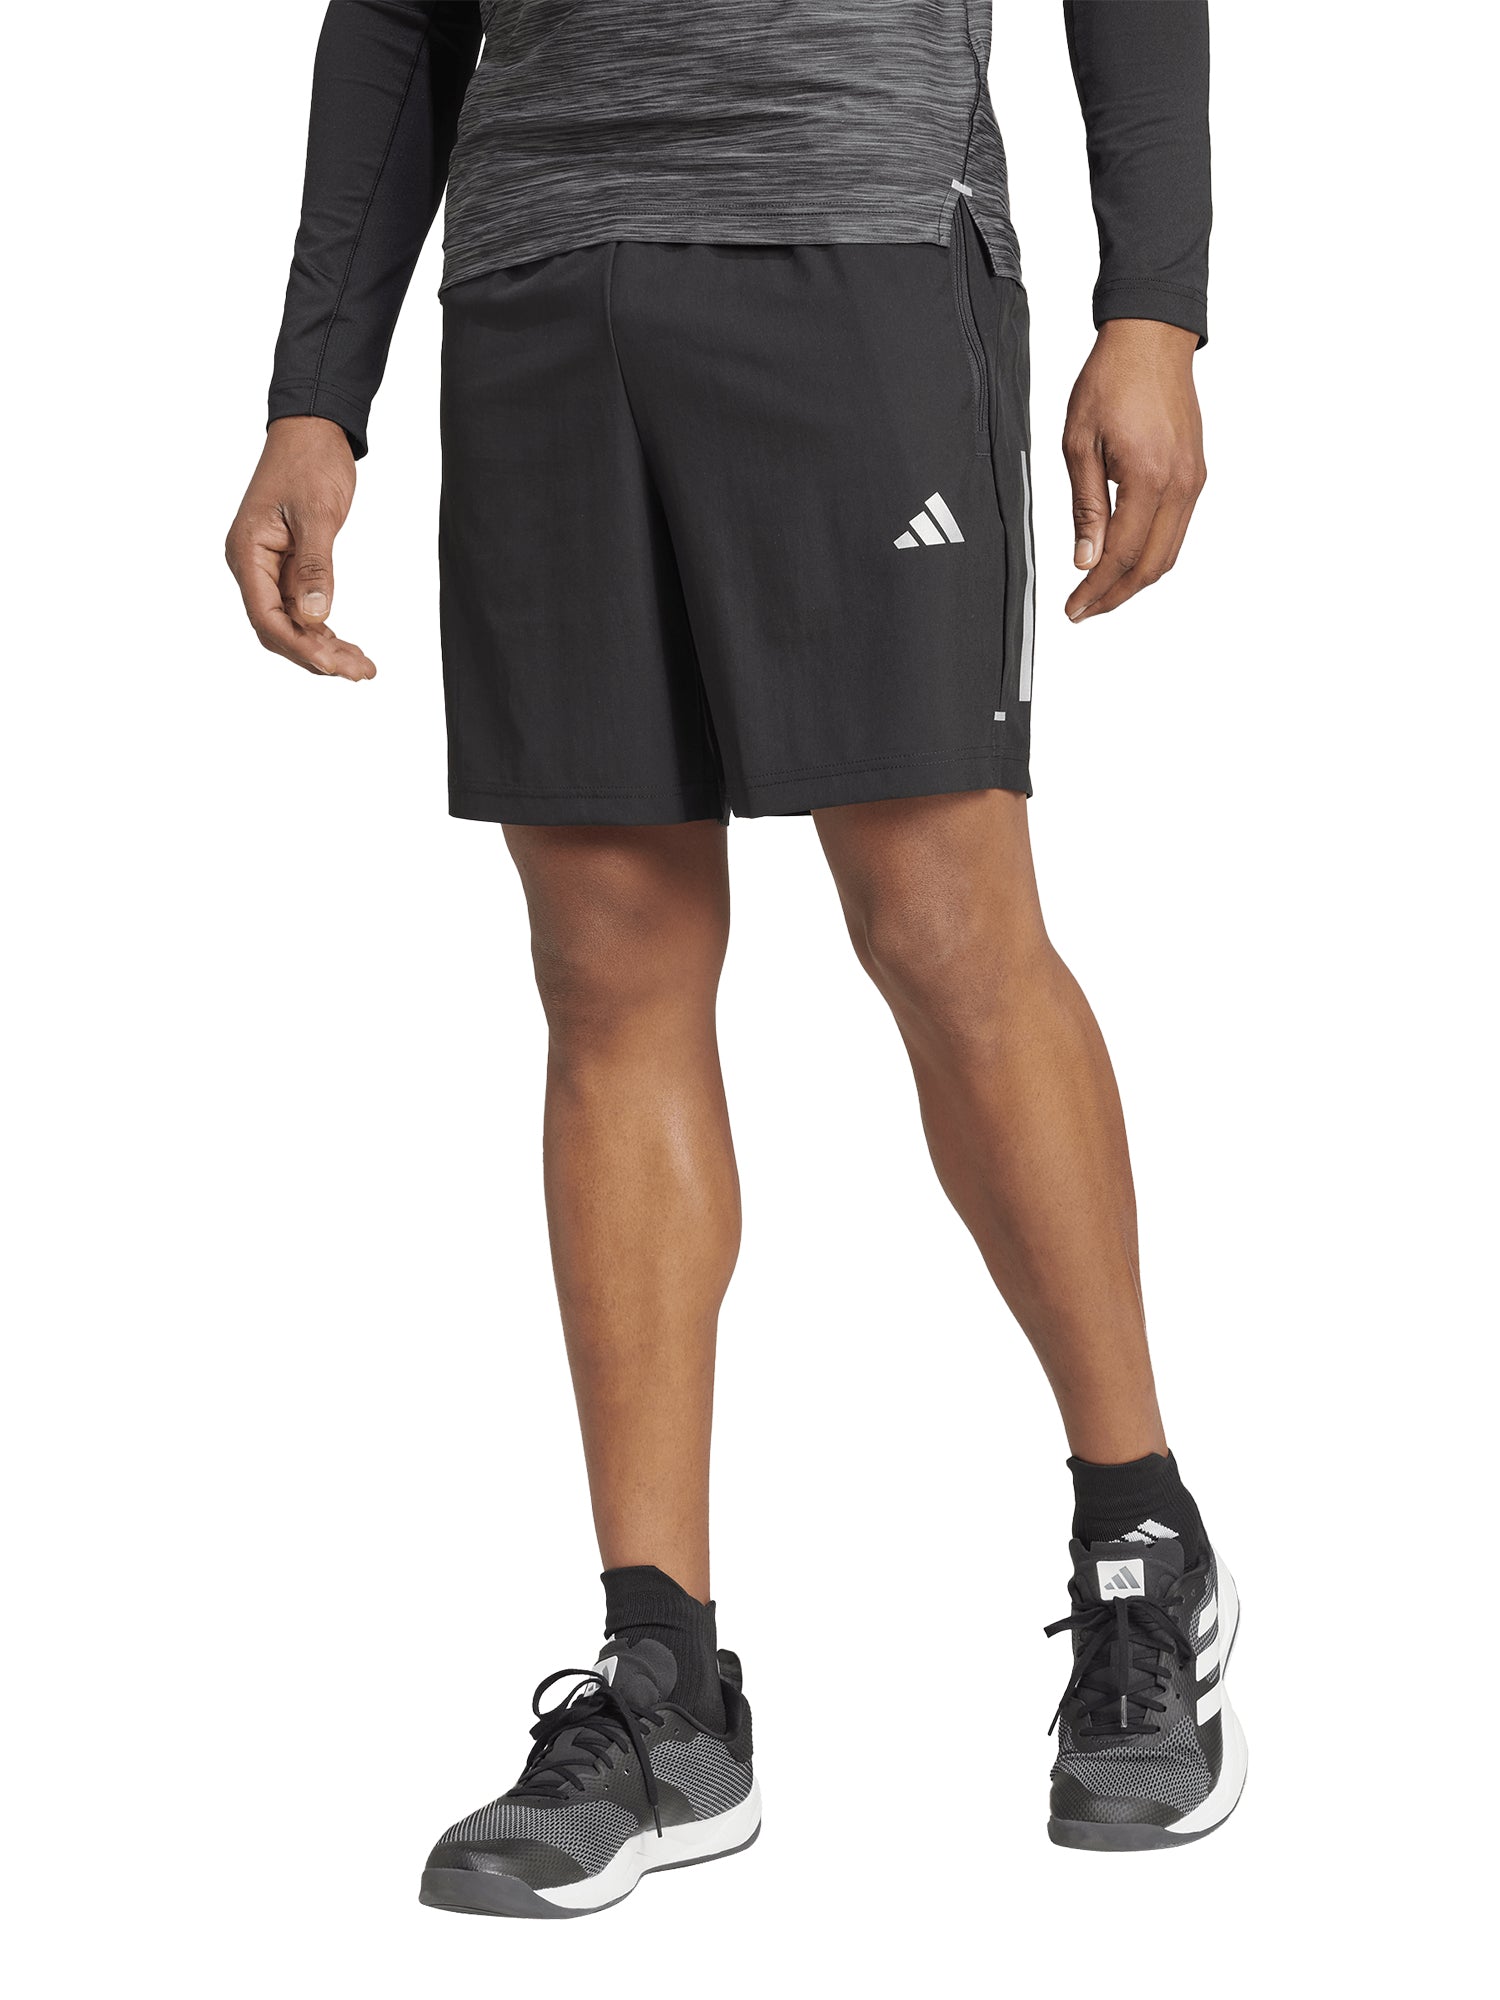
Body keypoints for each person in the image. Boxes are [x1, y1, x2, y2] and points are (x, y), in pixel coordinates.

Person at [227, 0, 1243, 1915]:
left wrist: (1156, 303)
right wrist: (315, 391)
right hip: (538, 272)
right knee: (605, 964)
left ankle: (1141, 1552)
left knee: (941, 921)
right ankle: (664, 1689)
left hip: (859, 233)